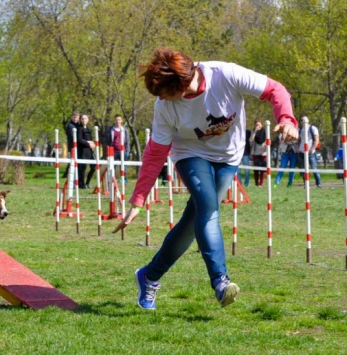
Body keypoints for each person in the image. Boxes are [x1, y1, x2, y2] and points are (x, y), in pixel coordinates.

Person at [113, 47, 298, 309]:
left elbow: (275, 89)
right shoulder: (164, 107)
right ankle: (221, 282)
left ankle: (149, 276)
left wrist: (287, 120)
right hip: (190, 153)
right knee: (208, 208)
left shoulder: (226, 74)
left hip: (229, 156)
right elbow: (155, 153)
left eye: (166, 93)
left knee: (192, 222)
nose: (162, 99)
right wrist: (138, 200)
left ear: (183, 84)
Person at [297, 117, 322, 188]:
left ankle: (318, 183)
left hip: (310, 152)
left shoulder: (313, 128)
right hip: (301, 152)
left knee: (314, 168)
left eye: (305, 119)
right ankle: (306, 183)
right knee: (302, 169)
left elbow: (317, 140)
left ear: (308, 120)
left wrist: (312, 148)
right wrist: (298, 148)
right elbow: (299, 140)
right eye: (302, 120)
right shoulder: (300, 129)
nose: (303, 121)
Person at [77, 114, 96, 189]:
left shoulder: (89, 129)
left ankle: (87, 182)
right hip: (83, 150)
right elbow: (79, 139)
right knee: (82, 168)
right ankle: (81, 184)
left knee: (93, 167)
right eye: (82, 119)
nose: (84, 120)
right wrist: (88, 143)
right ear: (80, 120)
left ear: (88, 120)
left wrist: (93, 143)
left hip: (90, 150)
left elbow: (91, 139)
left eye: (85, 118)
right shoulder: (79, 128)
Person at [250, 119, 268, 187]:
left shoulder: (265, 132)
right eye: (256, 125)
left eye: (259, 125)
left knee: (263, 170)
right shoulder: (253, 131)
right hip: (255, 153)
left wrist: (265, 150)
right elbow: (251, 140)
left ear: (261, 125)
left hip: (263, 153)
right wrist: (255, 131)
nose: (258, 126)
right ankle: (256, 183)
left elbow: (268, 142)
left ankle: (261, 184)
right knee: (256, 170)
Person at [62, 112, 80, 179]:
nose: (75, 119)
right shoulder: (70, 126)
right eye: (74, 117)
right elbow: (72, 137)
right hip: (72, 146)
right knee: (71, 161)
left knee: (73, 161)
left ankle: (68, 174)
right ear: (71, 117)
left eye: (77, 117)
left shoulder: (77, 125)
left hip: (77, 146)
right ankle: (67, 174)